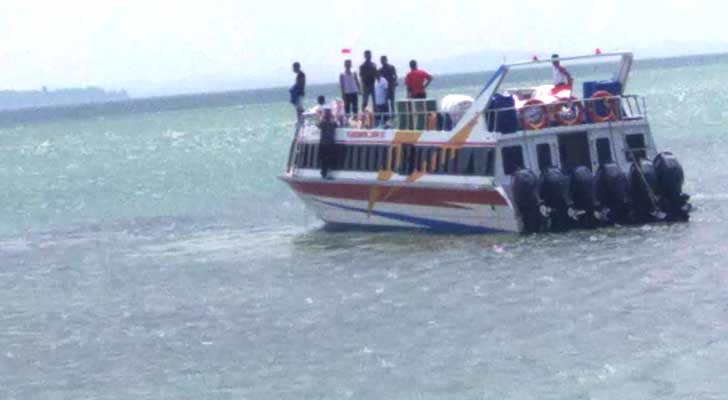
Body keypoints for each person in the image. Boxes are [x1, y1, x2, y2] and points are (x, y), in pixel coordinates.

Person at [318, 106, 338, 179]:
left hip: (323, 143)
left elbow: (318, 125)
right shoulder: (333, 122)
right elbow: (337, 125)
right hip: (331, 143)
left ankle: (323, 173)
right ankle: (329, 172)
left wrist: (320, 118)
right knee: (330, 158)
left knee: (323, 159)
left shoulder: (322, 122)